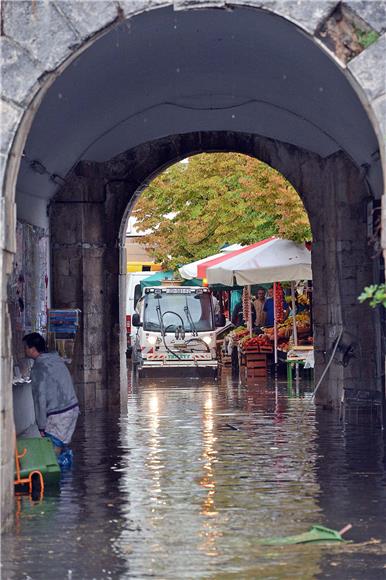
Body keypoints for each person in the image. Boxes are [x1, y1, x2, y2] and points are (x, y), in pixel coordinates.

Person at [23, 332, 79, 455]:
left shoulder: (39, 368)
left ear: (32, 349)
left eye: (26, 347)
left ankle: (62, 474)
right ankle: (67, 472)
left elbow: (40, 398)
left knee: (52, 455)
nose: (24, 350)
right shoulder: (56, 360)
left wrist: (41, 427)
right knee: (62, 450)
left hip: (58, 415)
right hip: (72, 409)